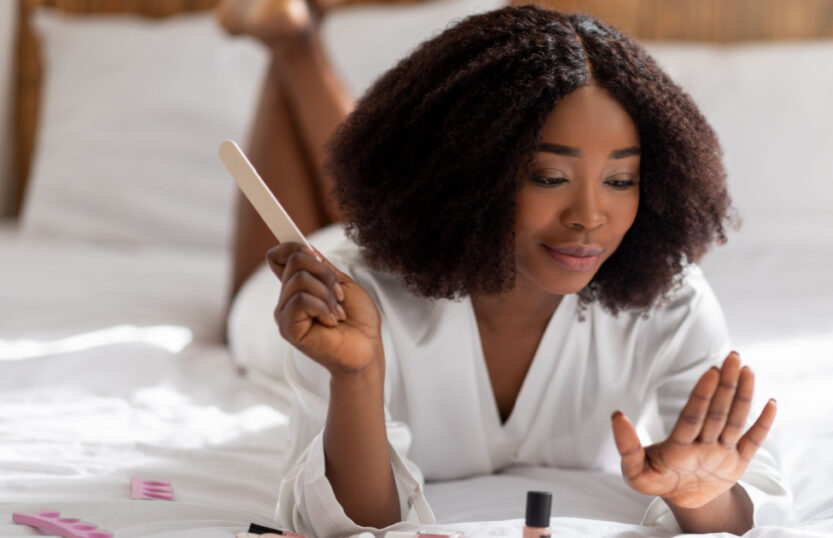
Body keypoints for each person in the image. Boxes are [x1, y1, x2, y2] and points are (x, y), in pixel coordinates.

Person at [220, 0, 790, 536]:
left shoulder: (670, 296)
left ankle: (293, 36)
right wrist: (356, 375)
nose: (590, 217)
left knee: (368, 208)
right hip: (331, 280)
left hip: (417, 244)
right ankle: (290, 43)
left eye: (620, 181)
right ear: (471, 171)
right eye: (548, 176)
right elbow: (348, 526)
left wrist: (699, 497)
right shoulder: (349, 300)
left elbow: (742, 501)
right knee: (281, 263)